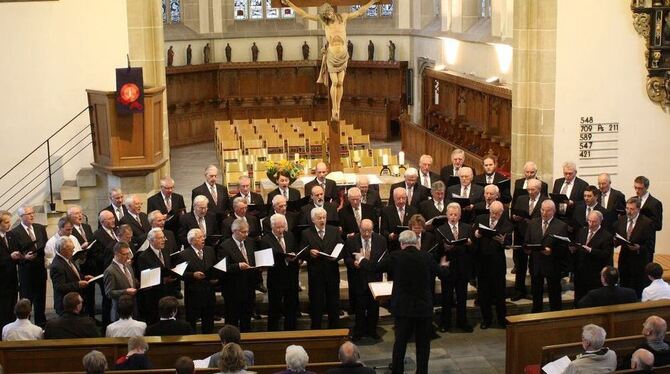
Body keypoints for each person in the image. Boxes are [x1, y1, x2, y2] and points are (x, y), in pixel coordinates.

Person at [359, 230, 446, 374]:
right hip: (423, 308)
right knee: (423, 345)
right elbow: (442, 275)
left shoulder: (396, 256)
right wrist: (443, 265)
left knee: (400, 343)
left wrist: (361, 259)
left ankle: (398, 371)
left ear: (401, 243)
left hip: (403, 308)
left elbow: (375, 268)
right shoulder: (427, 257)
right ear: (416, 243)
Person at [282, 0, 379, 120]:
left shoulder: (343, 17)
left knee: (341, 82)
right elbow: (304, 14)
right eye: (326, 15)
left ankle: (338, 107)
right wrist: (290, 4)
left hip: (343, 55)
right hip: (332, 55)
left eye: (330, 12)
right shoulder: (324, 22)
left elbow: (359, 12)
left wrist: (372, 1)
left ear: (332, 10)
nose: (329, 15)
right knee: (335, 82)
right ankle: (334, 109)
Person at [301, 207, 343, 329]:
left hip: (332, 272)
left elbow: (341, 246)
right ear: (313, 220)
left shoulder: (334, 231)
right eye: (319, 218)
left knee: (333, 303)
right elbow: (302, 251)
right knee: (316, 304)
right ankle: (316, 331)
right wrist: (309, 253)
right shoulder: (306, 233)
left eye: (324, 217)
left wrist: (336, 256)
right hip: (316, 274)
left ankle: (334, 330)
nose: (322, 220)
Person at [344, 219, 386, 341]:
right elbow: (346, 258)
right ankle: (359, 331)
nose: (367, 234)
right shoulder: (351, 240)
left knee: (374, 307)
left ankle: (372, 330)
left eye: (369, 231)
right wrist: (353, 263)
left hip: (374, 279)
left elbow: (384, 258)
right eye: (364, 231)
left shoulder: (380, 240)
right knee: (359, 307)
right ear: (359, 228)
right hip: (358, 279)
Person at [473, 201, 512, 329]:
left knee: (500, 293)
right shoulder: (480, 219)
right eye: (492, 212)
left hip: (497, 264)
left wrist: (503, 241)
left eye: (497, 213)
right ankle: (486, 319)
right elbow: (473, 233)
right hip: (482, 262)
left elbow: (508, 244)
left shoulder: (507, 224)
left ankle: (502, 319)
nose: (494, 215)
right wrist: (476, 234)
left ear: (501, 213)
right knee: (483, 293)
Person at [525, 200, 568, 312]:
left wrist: (552, 251)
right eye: (542, 210)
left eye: (547, 210)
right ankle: (536, 312)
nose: (544, 213)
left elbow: (563, 247)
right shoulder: (533, 223)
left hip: (552, 264)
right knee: (536, 292)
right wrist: (527, 250)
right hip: (536, 264)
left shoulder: (561, 226)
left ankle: (555, 315)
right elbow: (527, 241)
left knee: (554, 293)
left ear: (553, 211)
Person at [436, 202, 473, 332]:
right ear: (446, 215)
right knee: (446, 297)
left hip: (462, 267)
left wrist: (469, 243)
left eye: (455, 215)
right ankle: (445, 323)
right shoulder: (441, 229)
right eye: (450, 214)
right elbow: (437, 249)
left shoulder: (467, 228)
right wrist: (444, 248)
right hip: (448, 267)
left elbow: (473, 249)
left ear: (460, 216)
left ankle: (462, 322)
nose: (453, 217)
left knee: (462, 297)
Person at [259, 214, 300, 331]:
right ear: (272, 227)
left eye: (283, 227)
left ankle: (291, 332)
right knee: (274, 309)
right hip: (276, 279)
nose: (281, 230)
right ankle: (273, 334)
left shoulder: (289, 235)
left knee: (291, 307)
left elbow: (296, 249)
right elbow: (265, 260)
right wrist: (282, 258)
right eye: (278, 228)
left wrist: (296, 257)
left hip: (291, 277)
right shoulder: (266, 240)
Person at [219, 219, 259, 332]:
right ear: (234, 231)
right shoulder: (225, 246)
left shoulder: (250, 242)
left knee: (246, 319)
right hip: (233, 289)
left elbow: (253, 259)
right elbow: (223, 267)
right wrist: (238, 266)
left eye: (247, 231)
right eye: (243, 232)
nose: (246, 234)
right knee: (232, 320)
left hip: (249, 287)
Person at [11, 205, 48, 326]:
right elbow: (14, 253)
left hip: (40, 270)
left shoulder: (40, 228)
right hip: (26, 272)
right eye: (28, 214)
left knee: (41, 301)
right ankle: (25, 325)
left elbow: (46, 245)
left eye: (32, 213)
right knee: (27, 301)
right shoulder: (15, 232)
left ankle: (41, 324)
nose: (32, 215)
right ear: (21, 217)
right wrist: (24, 257)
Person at [570, 211, 614, 304]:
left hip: (594, 274)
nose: (591, 224)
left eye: (594, 222)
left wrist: (591, 250)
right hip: (580, 271)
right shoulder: (582, 231)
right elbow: (578, 245)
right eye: (589, 221)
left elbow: (606, 254)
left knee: (592, 299)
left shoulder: (607, 236)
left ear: (600, 221)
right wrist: (573, 249)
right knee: (579, 298)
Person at [135, 228, 176, 324]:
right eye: (160, 238)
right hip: (153, 297)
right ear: (151, 241)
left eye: (163, 237)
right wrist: (163, 280)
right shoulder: (143, 257)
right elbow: (146, 279)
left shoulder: (165, 251)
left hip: (167, 293)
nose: (164, 240)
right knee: (154, 322)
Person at [616, 197, 655, 297]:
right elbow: (618, 235)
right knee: (624, 286)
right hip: (624, 259)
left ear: (638, 209)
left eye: (632, 209)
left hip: (639, 262)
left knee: (637, 289)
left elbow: (650, 245)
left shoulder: (647, 223)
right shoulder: (622, 219)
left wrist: (639, 248)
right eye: (627, 208)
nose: (629, 211)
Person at [181, 228, 217, 333]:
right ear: (192, 240)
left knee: (209, 321)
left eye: (203, 236)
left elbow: (214, 266)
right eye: (200, 237)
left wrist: (215, 278)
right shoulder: (184, 254)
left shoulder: (209, 250)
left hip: (209, 291)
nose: (203, 239)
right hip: (194, 293)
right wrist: (193, 275)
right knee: (192, 321)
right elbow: (181, 274)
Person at [50, 236, 92, 316]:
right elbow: (59, 286)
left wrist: (83, 277)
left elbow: (73, 274)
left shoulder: (68, 258)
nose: (73, 251)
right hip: (66, 306)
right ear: (63, 250)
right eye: (71, 249)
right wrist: (78, 284)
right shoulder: (57, 266)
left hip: (75, 302)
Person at [67, 205, 97, 317]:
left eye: (80, 213)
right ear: (69, 217)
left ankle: (92, 317)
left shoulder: (87, 227)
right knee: (82, 295)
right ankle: (83, 317)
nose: (80, 215)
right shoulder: (69, 230)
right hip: (79, 266)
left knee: (91, 294)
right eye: (76, 214)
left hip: (90, 264)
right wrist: (82, 247)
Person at [92, 210, 119, 325]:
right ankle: (106, 323)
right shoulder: (97, 234)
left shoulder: (116, 231)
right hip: (106, 271)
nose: (114, 220)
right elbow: (97, 256)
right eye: (110, 219)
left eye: (113, 217)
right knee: (107, 299)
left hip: (118, 270)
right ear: (103, 221)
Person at [103, 242, 137, 322]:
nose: (127, 257)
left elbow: (130, 282)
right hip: (120, 312)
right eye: (124, 254)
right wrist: (125, 291)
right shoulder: (110, 271)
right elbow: (109, 293)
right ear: (116, 254)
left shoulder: (128, 265)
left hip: (133, 307)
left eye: (128, 253)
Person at [634, 176, 663, 261]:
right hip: (632, 241)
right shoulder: (632, 200)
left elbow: (658, 225)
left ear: (646, 187)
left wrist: (643, 221)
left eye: (640, 188)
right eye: (635, 187)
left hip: (646, 244)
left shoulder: (655, 203)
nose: (636, 191)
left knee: (645, 271)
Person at [0, 210, 20, 329]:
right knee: (3, 312)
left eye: (9, 222)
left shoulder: (10, 235)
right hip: (1, 282)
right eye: (6, 222)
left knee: (12, 310)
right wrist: (10, 257)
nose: (9, 224)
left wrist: (22, 257)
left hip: (12, 280)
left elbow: (15, 252)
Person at [381, 187, 417, 253]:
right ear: (394, 198)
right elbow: (383, 230)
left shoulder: (413, 210)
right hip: (393, 247)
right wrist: (390, 236)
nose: (401, 201)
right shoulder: (386, 211)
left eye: (403, 198)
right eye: (398, 198)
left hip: (409, 246)